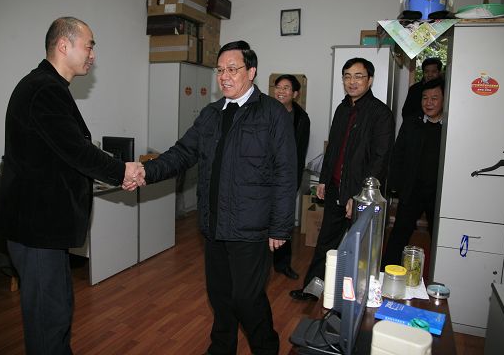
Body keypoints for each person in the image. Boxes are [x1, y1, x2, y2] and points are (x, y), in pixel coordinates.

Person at [0, 16, 143, 355]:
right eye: (89, 46)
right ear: (64, 45)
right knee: (48, 319)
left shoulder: (48, 87)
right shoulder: (44, 90)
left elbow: (65, 152)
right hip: (35, 229)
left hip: (45, 229)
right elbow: (77, 150)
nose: (93, 54)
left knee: (58, 309)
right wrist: (122, 170)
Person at [141, 40, 296, 355]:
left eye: (232, 69)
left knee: (247, 299)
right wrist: (146, 171)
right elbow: (182, 152)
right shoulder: (211, 114)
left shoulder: (272, 113)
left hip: (251, 228)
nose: (224, 76)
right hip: (214, 225)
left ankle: (266, 349)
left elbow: (286, 172)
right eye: (220, 70)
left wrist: (280, 227)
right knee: (220, 297)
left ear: (251, 72)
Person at [290, 57, 394, 301]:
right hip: (336, 188)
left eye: (358, 76)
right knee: (325, 244)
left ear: (370, 80)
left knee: (359, 252)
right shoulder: (342, 109)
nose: (352, 81)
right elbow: (333, 149)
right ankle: (313, 289)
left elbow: (380, 159)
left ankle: (355, 298)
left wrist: (360, 196)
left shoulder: (381, 114)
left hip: (361, 196)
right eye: (347, 76)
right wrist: (324, 180)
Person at [382, 78, 445, 267]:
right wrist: (396, 185)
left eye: (434, 98)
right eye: (425, 98)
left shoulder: (451, 127)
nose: (429, 103)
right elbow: (397, 154)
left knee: (440, 237)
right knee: (399, 234)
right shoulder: (411, 123)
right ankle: (386, 272)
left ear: (444, 100)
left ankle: (440, 273)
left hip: (439, 193)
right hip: (412, 190)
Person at [272, 74, 310, 280]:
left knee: (283, 220)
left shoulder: (301, 118)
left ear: (295, 94)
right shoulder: (264, 111)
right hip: (262, 176)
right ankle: (260, 262)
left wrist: (293, 181)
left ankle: (282, 263)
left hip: (286, 177)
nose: (280, 91)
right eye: (278, 87)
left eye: (286, 88)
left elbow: (300, 153)